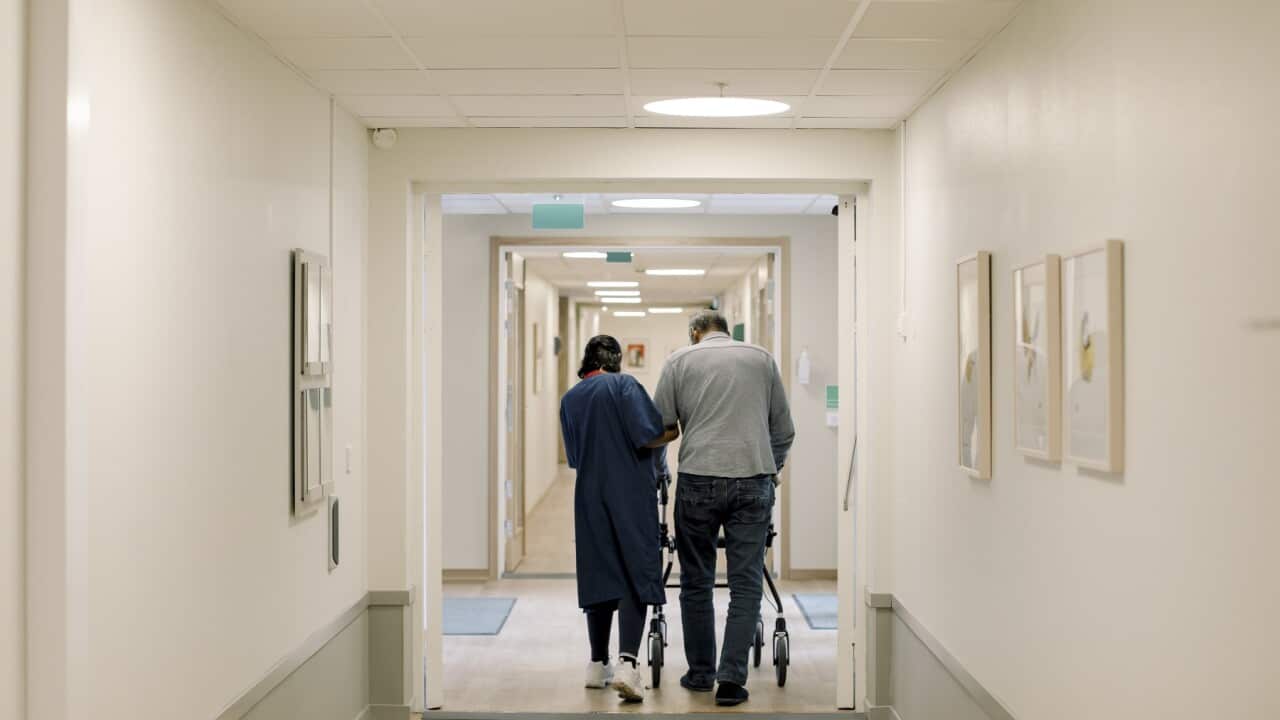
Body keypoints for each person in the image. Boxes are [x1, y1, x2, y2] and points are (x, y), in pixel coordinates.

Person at [653, 310, 795, 707]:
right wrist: (771, 469)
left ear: (696, 333)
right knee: (746, 582)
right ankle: (731, 680)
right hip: (753, 479)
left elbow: (663, 425)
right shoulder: (761, 359)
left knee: (696, 580)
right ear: (727, 332)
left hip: (698, 478)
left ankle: (700, 674)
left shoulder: (679, 361)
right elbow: (783, 430)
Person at [559, 335, 678, 703]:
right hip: (629, 492)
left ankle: (597, 664)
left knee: (599, 569)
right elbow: (649, 436)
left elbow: (575, 457)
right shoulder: (624, 385)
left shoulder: (571, 399)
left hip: (590, 495)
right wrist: (675, 429)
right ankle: (628, 664)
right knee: (633, 570)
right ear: (616, 360)